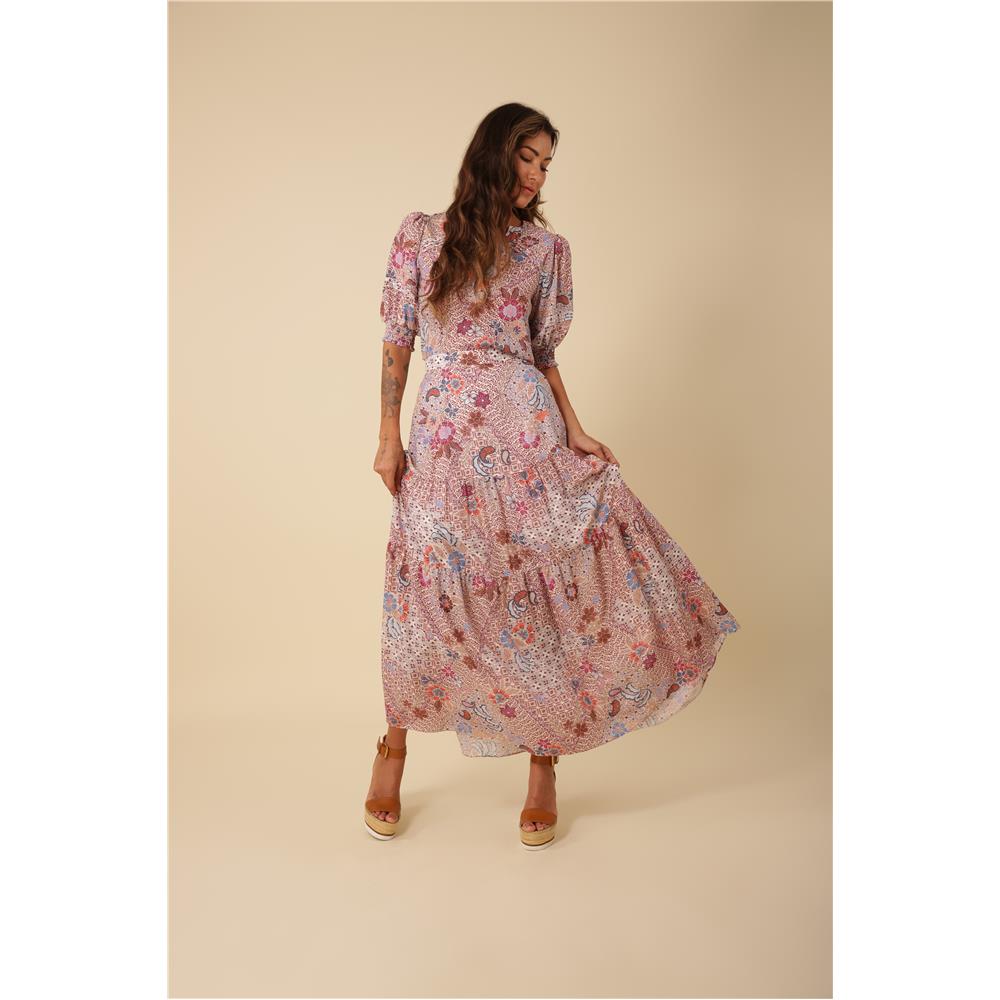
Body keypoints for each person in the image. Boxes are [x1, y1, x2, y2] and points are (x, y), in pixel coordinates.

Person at [365, 103, 740, 849]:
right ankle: (393, 745)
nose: (537, 174)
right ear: (493, 155)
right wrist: (386, 434)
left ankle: (544, 761)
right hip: (443, 435)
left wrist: (572, 427)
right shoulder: (422, 235)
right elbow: (397, 338)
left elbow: (541, 355)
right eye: (527, 157)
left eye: (546, 163)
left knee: (534, 590)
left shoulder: (545, 250)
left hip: (526, 431)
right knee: (426, 583)